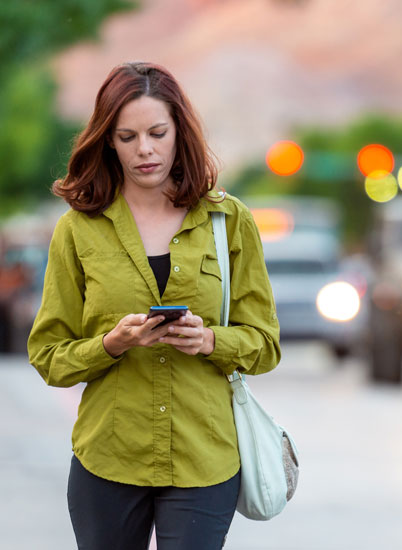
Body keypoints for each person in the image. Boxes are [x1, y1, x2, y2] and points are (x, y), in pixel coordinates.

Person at [27, 61, 281, 550]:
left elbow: (266, 345)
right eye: (126, 137)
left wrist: (210, 340)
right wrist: (111, 344)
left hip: (204, 456)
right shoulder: (78, 229)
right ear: (107, 141)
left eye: (157, 132)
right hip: (109, 455)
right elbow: (48, 355)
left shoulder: (228, 220)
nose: (144, 149)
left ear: (178, 132)